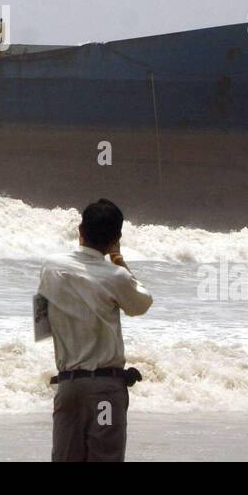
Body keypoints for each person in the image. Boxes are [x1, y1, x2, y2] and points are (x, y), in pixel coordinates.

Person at [37, 198, 152, 462]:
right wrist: (118, 259)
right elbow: (141, 304)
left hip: (68, 388)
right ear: (116, 238)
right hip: (105, 392)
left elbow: (41, 318)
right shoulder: (116, 275)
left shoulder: (51, 266)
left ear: (80, 230)